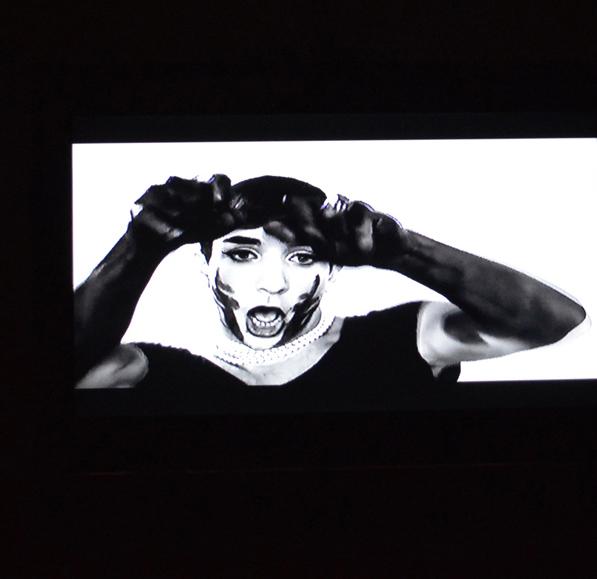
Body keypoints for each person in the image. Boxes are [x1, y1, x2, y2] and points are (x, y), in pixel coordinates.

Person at [74, 174, 587, 414]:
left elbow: (551, 319)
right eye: (242, 254)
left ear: (333, 267)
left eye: (302, 257)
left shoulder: (402, 342)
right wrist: (139, 247)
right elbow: (48, 379)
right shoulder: (149, 373)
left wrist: (404, 252)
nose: (273, 283)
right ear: (205, 265)